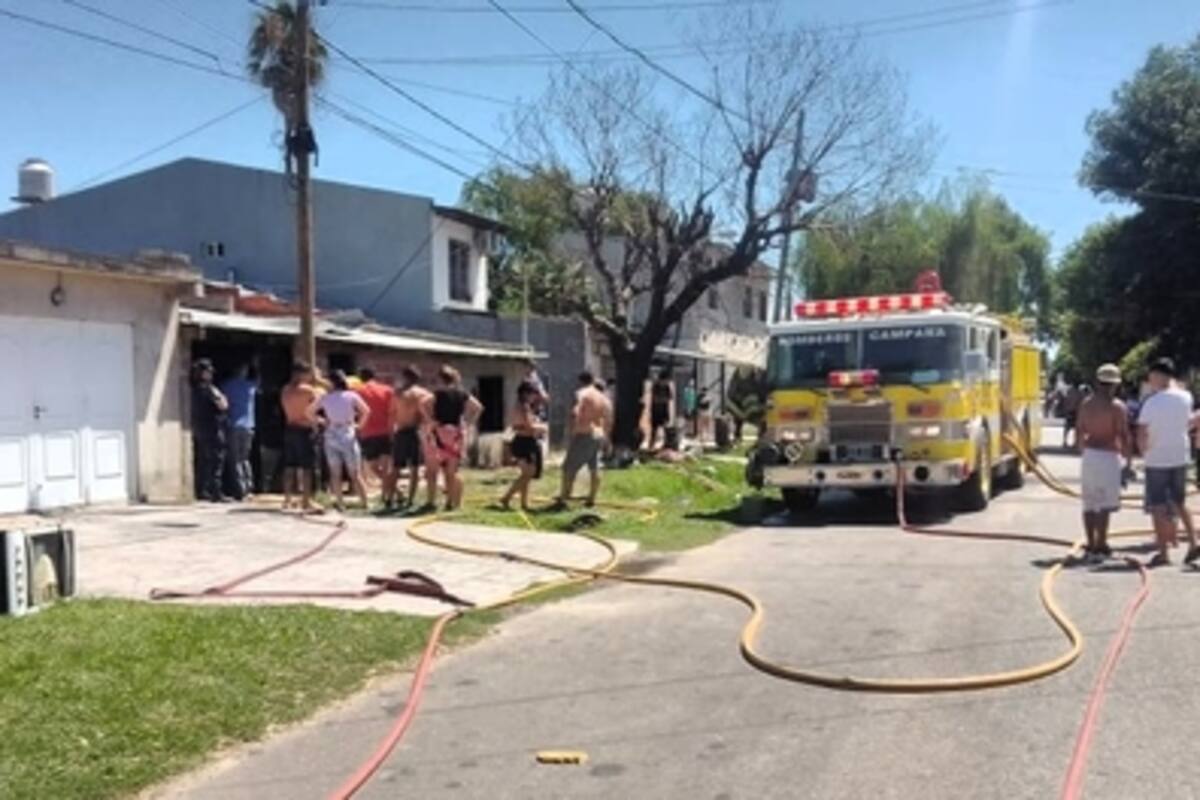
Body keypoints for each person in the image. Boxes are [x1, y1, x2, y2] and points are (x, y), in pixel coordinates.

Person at [1136, 357, 1200, 567]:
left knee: (1158, 505)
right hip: (1180, 456)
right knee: (1180, 502)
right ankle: (1193, 542)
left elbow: (1142, 432)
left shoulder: (1152, 402)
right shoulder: (1186, 397)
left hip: (1157, 458)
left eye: (1151, 377)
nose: (1150, 381)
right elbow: (1188, 421)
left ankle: (1163, 552)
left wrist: (1143, 452)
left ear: (1158, 375)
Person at [1076, 364, 1130, 562]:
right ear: (1115, 385)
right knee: (1105, 505)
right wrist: (1128, 462)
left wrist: (1083, 451)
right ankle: (1101, 543)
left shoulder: (1086, 404)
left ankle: (1091, 543)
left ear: (1097, 382)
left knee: (1089, 503)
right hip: (1109, 455)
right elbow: (1123, 434)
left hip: (1090, 454)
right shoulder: (1117, 407)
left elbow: (1080, 430)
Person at [421, 365, 482, 511]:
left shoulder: (437, 393)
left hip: (438, 432)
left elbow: (423, 403)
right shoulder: (462, 393)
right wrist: (468, 423)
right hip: (455, 434)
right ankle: (450, 501)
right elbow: (478, 407)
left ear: (440, 379)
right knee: (451, 471)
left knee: (432, 471)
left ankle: (431, 501)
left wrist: (430, 420)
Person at [309, 369, 371, 512]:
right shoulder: (351, 395)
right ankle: (364, 502)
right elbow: (366, 411)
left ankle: (340, 502)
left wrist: (322, 421)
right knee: (355, 473)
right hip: (347, 431)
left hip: (331, 432)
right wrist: (359, 426)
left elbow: (309, 412)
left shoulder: (325, 398)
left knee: (335, 472)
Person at [557, 371, 613, 508]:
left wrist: (571, 430)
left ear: (580, 381)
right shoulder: (603, 397)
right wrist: (606, 438)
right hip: (598, 433)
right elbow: (608, 418)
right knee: (594, 467)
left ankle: (564, 497)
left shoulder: (581, 393)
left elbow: (575, 412)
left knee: (569, 467)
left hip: (584, 433)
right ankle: (592, 498)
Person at [387, 365, 432, 509]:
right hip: (415, 431)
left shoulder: (398, 393)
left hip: (401, 431)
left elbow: (392, 414)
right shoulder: (423, 394)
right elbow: (427, 415)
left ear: (404, 377)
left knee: (396, 467)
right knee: (415, 468)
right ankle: (410, 500)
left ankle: (389, 498)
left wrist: (390, 431)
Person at [280, 360, 322, 513]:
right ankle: (306, 500)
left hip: (290, 428)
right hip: (305, 430)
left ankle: (287, 499)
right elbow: (322, 400)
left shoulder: (285, 390)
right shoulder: (308, 391)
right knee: (307, 467)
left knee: (289, 466)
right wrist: (319, 380)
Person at [500, 382, 547, 511]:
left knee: (526, 474)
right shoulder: (524, 407)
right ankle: (506, 497)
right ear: (526, 394)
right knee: (529, 474)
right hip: (525, 441)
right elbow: (529, 426)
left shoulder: (520, 406)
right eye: (533, 394)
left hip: (522, 440)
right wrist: (543, 427)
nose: (534, 397)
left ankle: (524, 503)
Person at [354, 367, 395, 504]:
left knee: (373, 467)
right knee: (386, 466)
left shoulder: (358, 391)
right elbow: (392, 411)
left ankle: (391, 492)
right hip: (385, 431)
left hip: (368, 432)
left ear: (361, 378)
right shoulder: (387, 390)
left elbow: (356, 411)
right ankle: (390, 493)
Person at [191, 359, 229, 502]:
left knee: (204, 461)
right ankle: (216, 492)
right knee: (216, 461)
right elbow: (223, 406)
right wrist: (222, 398)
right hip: (213, 428)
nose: (211, 375)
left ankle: (203, 490)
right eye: (208, 372)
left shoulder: (194, 389)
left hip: (201, 429)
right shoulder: (209, 390)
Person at [220, 363, 258, 500]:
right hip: (249, 426)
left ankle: (240, 489)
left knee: (235, 459)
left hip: (233, 425)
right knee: (245, 458)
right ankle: (249, 487)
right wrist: (257, 365)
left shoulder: (227, 386)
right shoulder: (251, 386)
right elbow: (261, 385)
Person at [649, 369, 675, 450]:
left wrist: (663, 399)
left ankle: (667, 444)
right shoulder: (655, 386)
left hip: (664, 410)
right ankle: (651, 445)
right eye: (666, 380)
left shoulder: (667, 387)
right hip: (656, 411)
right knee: (654, 429)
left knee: (666, 428)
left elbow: (670, 397)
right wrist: (662, 399)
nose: (667, 382)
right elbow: (655, 399)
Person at [1061, 383, 1083, 448]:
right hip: (1075, 411)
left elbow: (1066, 401)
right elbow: (1080, 402)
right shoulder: (1079, 392)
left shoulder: (1070, 391)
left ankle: (1065, 442)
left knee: (1067, 427)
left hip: (1070, 411)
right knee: (1075, 428)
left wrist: (1066, 409)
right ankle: (1074, 442)